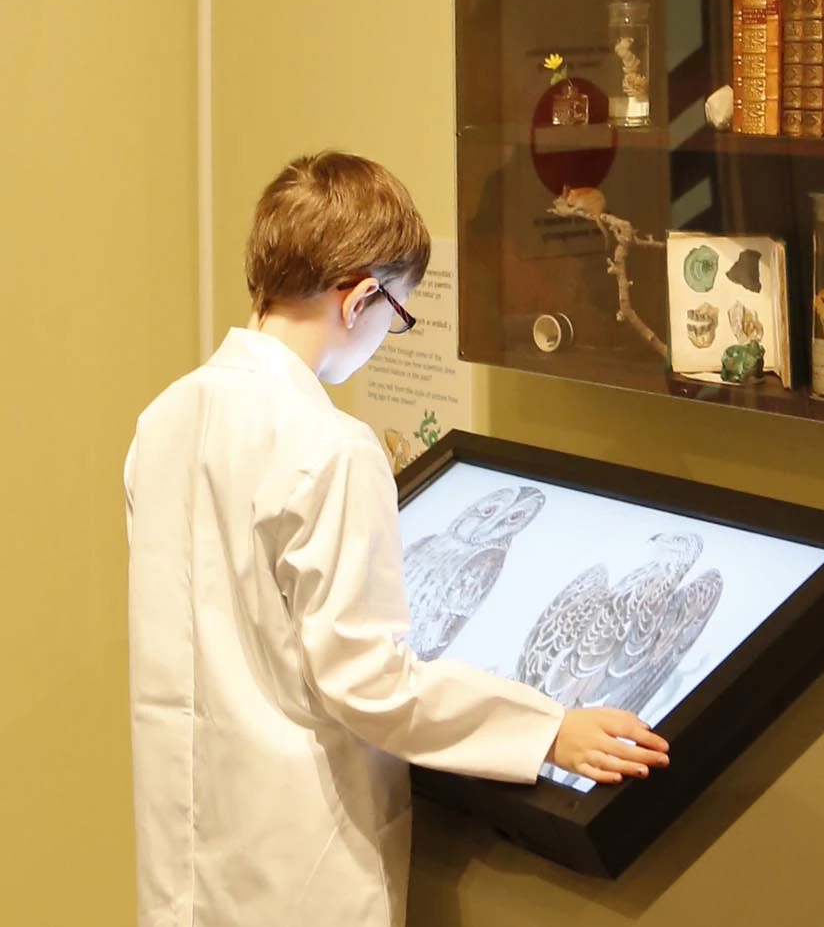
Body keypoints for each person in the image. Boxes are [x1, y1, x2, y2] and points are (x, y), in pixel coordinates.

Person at [125, 151, 668, 927]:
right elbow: (369, 684)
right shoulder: (331, 449)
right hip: (299, 870)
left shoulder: (166, 417)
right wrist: (549, 728)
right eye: (399, 315)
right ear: (360, 299)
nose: (389, 333)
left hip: (188, 851)